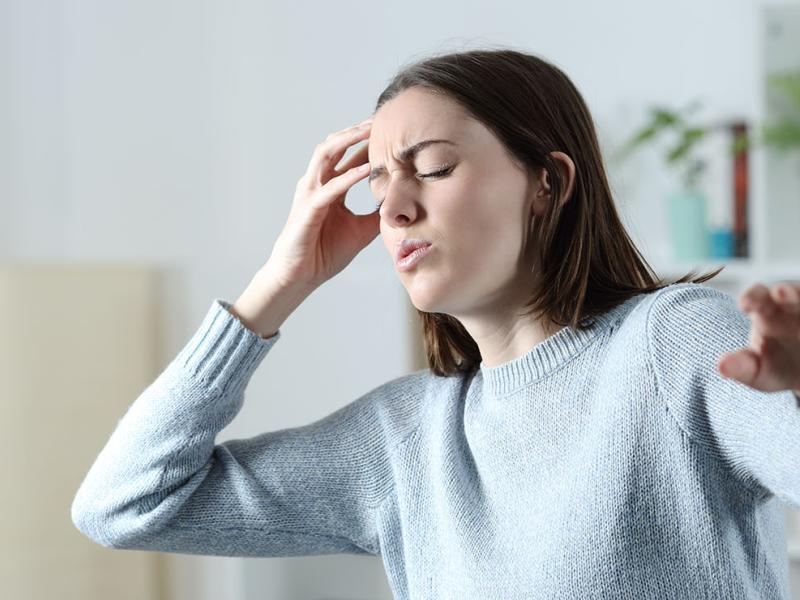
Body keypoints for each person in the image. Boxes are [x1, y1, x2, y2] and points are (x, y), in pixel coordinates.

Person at [71, 47, 800, 599]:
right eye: (380, 183)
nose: (394, 209)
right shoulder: (405, 438)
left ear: (548, 182)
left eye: (435, 168)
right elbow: (124, 505)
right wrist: (279, 283)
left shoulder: (672, 343)